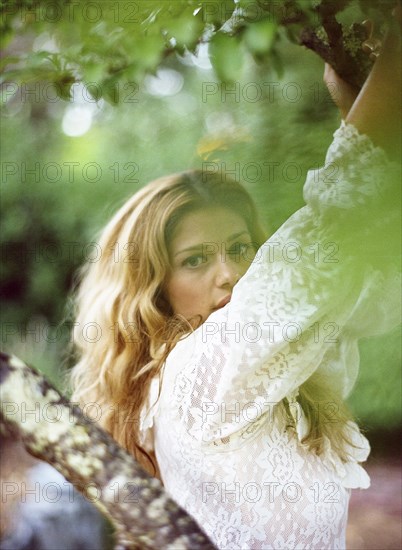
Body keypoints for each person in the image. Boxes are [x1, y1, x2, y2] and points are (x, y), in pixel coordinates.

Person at [70, 11, 401, 550]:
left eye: (242, 249)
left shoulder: (280, 369)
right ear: (152, 288)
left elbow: (374, 284)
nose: (230, 273)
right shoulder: (193, 380)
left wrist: (357, 103)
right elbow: (325, 234)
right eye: (196, 260)